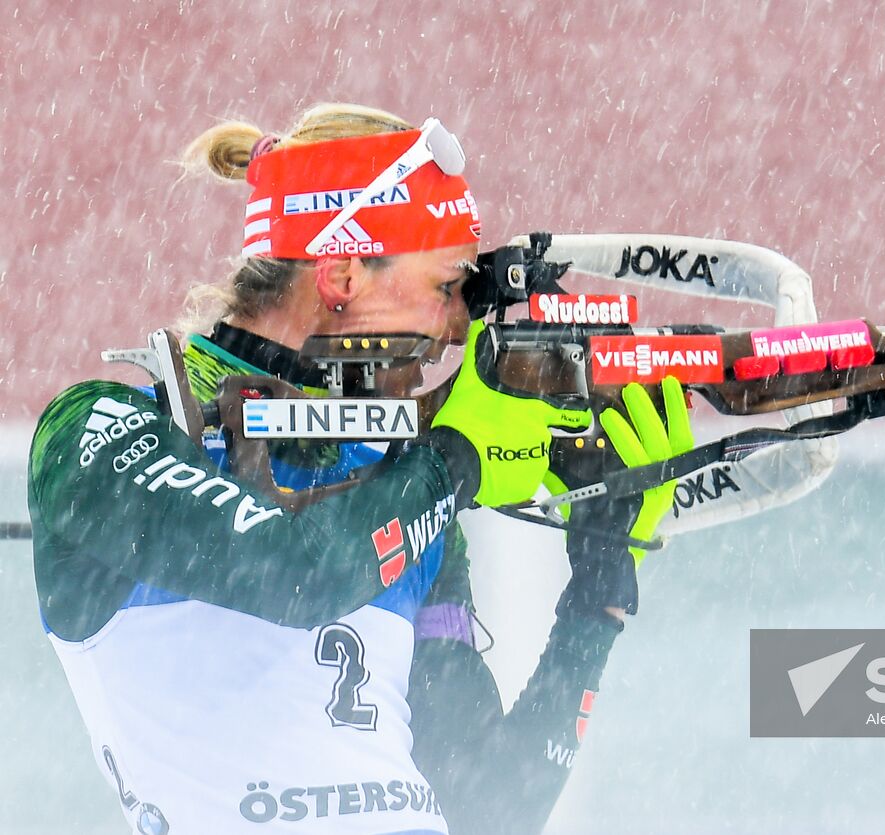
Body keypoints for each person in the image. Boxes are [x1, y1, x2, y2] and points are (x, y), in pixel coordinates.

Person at [27, 103, 692, 834]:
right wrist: (457, 460)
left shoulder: (397, 488)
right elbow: (293, 574)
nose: (455, 329)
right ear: (342, 273)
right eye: (445, 288)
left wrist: (600, 582)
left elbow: (484, 808)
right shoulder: (104, 429)